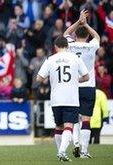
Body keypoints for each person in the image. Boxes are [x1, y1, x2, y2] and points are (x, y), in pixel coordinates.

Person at [37, 36, 89, 162]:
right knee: (69, 126)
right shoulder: (75, 58)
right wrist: (76, 80)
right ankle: (61, 151)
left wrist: (52, 79)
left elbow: (39, 78)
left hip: (56, 99)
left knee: (59, 126)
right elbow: (86, 77)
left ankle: (60, 153)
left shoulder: (51, 59)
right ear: (67, 46)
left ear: (55, 47)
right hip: (71, 98)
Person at [63, 10, 100, 159]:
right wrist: (86, 24)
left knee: (73, 118)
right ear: (87, 36)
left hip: (73, 87)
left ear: (75, 36)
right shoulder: (92, 46)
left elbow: (66, 33)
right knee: (86, 119)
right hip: (88, 86)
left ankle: (76, 143)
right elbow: (97, 36)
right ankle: (84, 151)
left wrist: (79, 21)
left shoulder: (70, 45)